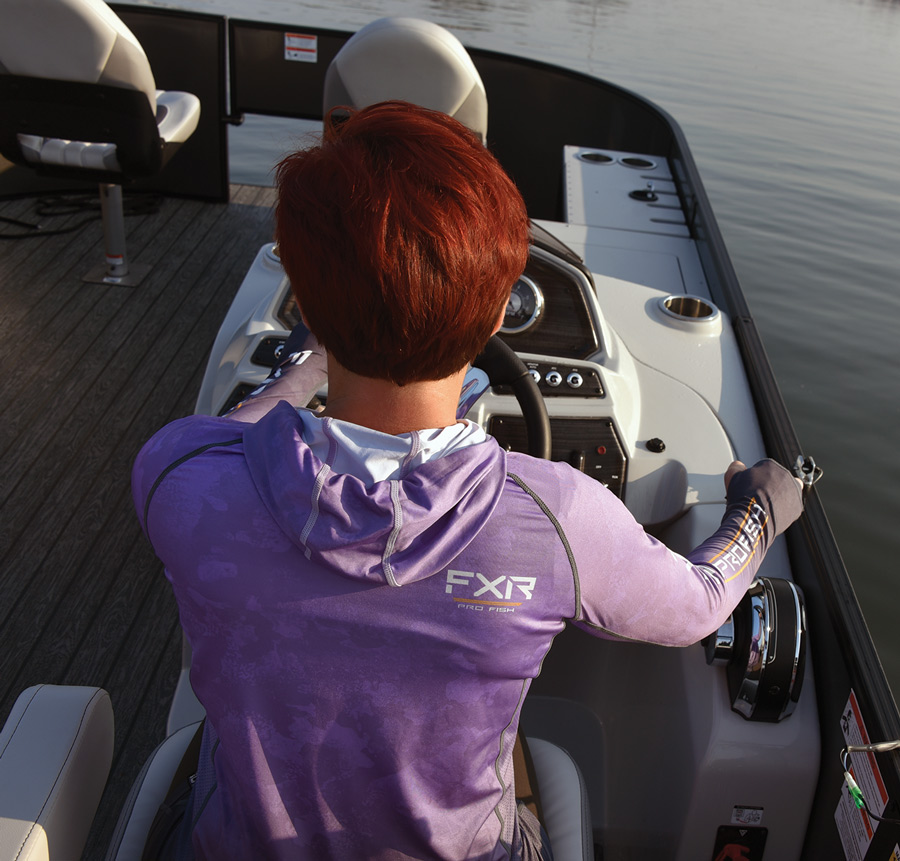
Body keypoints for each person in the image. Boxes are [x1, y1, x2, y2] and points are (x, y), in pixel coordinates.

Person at [132, 100, 804, 860]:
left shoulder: (180, 476)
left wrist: (304, 368)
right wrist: (761, 509)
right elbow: (695, 607)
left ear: (311, 303)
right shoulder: (558, 516)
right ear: (493, 316)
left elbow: (235, 431)